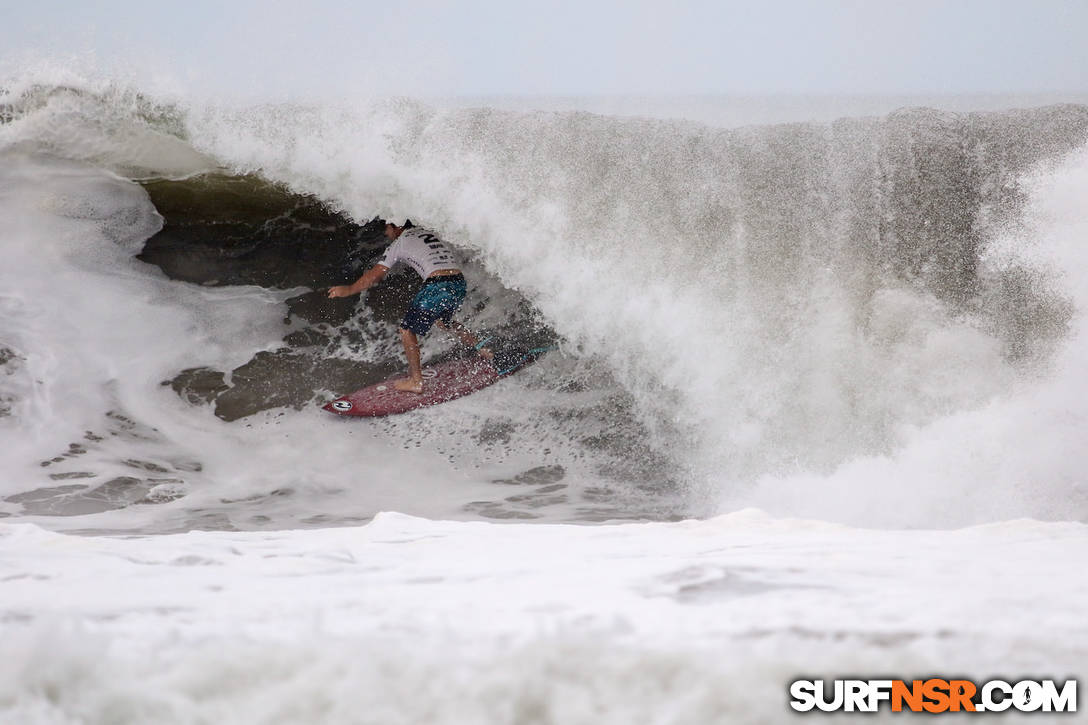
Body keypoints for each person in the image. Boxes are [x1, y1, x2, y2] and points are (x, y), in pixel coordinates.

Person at [327, 219, 485, 393]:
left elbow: (375, 275)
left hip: (438, 285)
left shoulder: (400, 242)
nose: (387, 233)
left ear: (398, 226)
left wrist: (349, 289)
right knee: (442, 322)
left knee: (406, 330)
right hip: (458, 283)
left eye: (387, 228)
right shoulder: (428, 233)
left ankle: (416, 381)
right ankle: (484, 349)